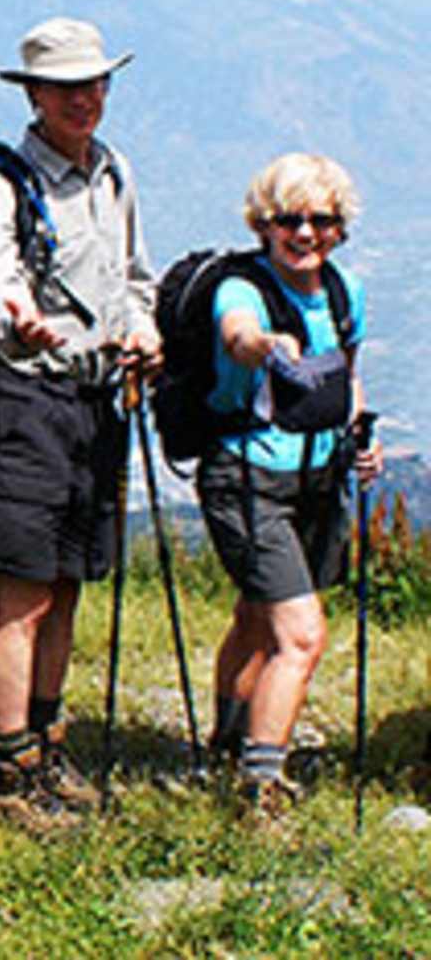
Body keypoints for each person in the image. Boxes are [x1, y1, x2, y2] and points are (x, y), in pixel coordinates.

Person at [0, 17, 160, 832]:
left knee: (69, 579)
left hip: (97, 394)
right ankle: (12, 765)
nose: (87, 98)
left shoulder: (113, 173)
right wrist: (18, 325)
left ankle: (47, 738)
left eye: (96, 82)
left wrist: (142, 329)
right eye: (68, 86)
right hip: (31, 399)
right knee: (24, 590)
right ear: (34, 94)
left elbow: (136, 276)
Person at [197, 153, 381, 823]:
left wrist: (361, 431)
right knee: (300, 636)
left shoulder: (342, 290)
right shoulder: (243, 289)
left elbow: (346, 373)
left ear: (340, 226)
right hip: (246, 477)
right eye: (289, 220)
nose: (305, 233)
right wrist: (266, 344)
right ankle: (260, 788)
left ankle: (227, 741)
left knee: (256, 616)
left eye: (321, 220)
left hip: (314, 476)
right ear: (264, 224)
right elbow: (237, 336)